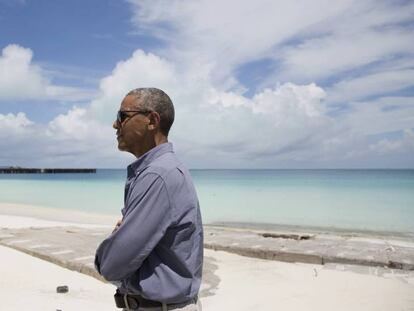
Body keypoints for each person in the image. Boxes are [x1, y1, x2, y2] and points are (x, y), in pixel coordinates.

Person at [95, 88, 203, 311]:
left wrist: (115, 238)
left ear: (152, 120)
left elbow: (112, 265)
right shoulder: (161, 171)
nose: (115, 125)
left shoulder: (158, 175)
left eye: (122, 116)